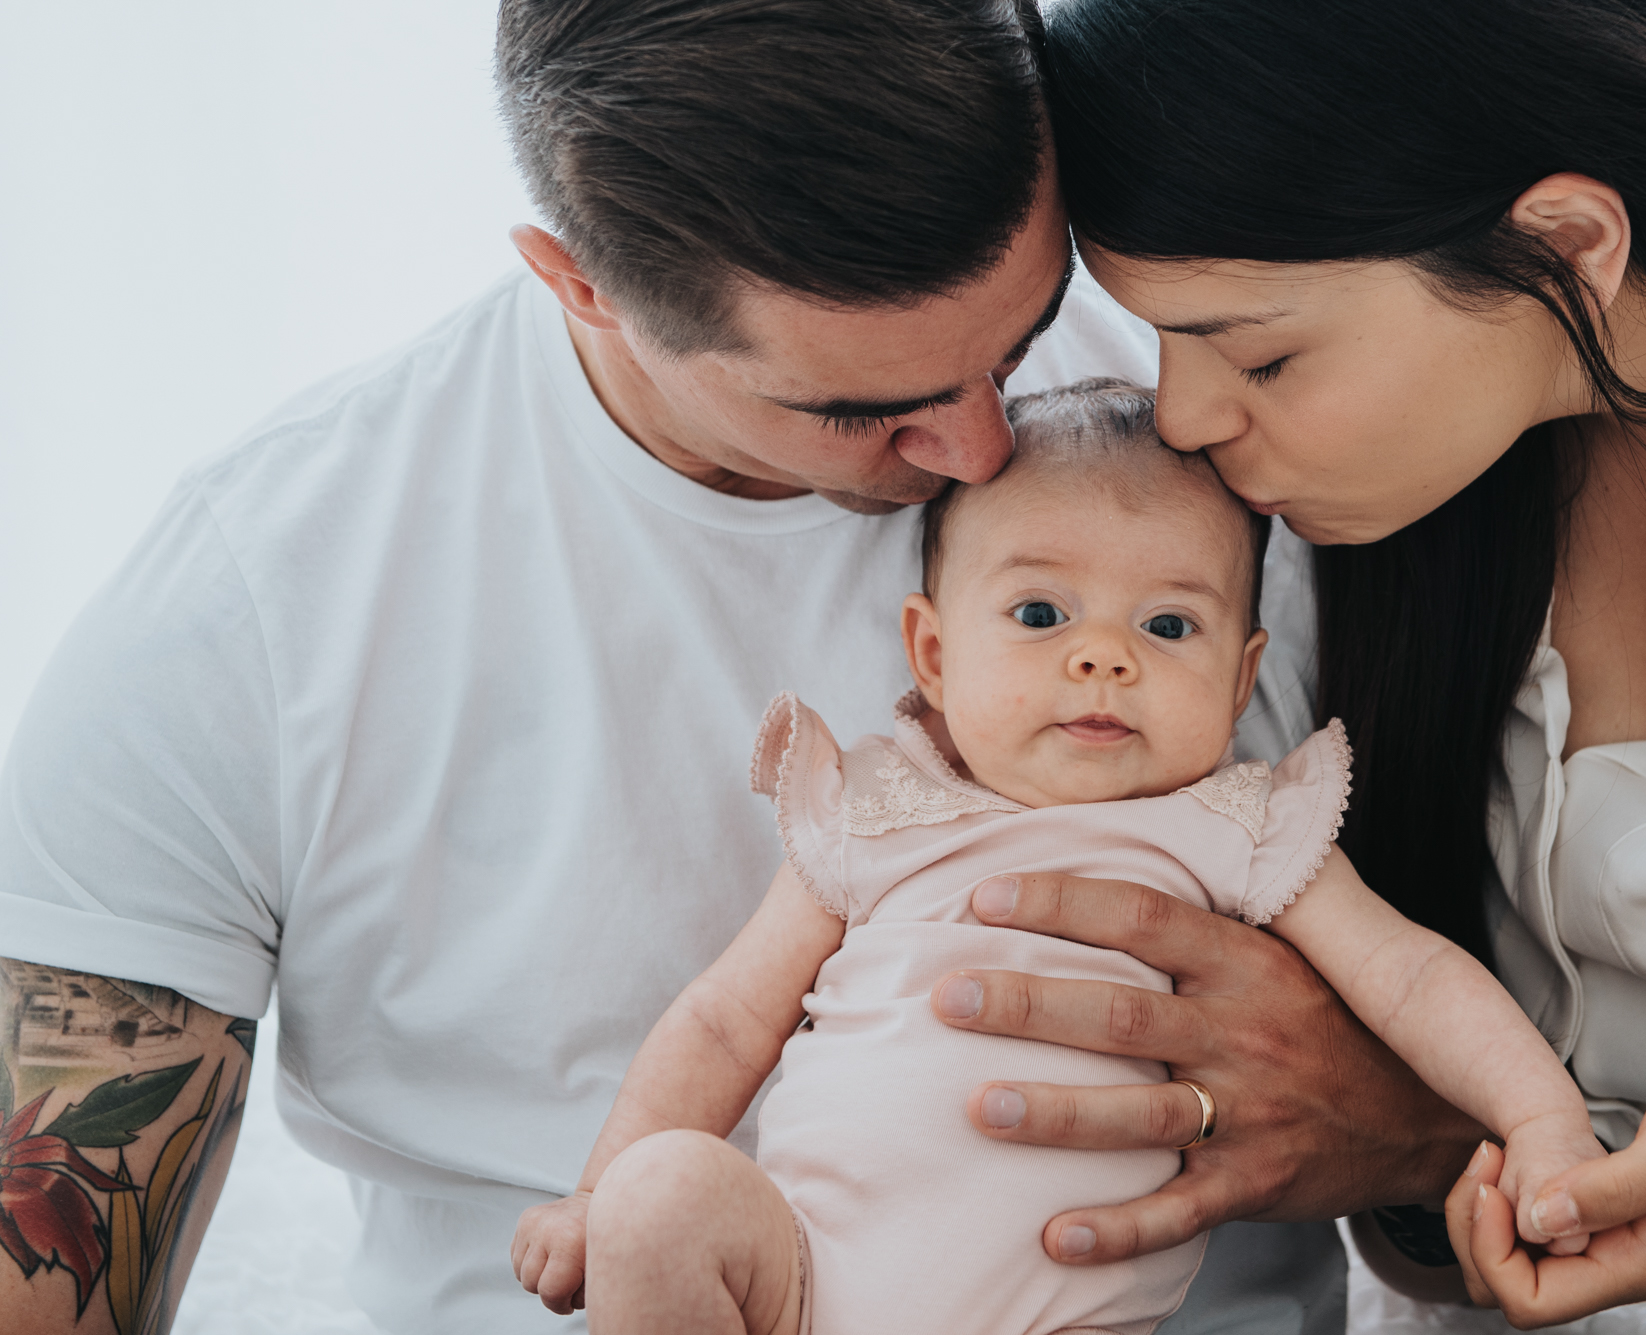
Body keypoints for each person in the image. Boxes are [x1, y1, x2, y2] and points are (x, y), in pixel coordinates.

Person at [0, 3, 1478, 1332]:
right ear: (581, 285)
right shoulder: (255, 609)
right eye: (866, 407)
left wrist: (1405, 1140)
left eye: (1020, 334)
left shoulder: (1247, 435)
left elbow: (1549, 1104)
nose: (979, 446)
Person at [1041, 0, 1646, 1331]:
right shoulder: (1408, 478)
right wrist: (1438, 1145)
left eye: (1258, 352)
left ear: (1565, 243)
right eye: (1159, 337)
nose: (1188, 417)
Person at [507, 381, 1605, 1333]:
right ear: (932, 653)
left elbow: (1410, 979)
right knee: (660, 1197)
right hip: (800, 1285)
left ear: (1240, 679)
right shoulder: (878, 807)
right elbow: (720, 1019)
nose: (1101, 659)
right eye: (1040, 612)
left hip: (1063, 1315)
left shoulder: (1240, 825)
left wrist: (1541, 1120)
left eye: (1168, 627)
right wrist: (593, 1190)